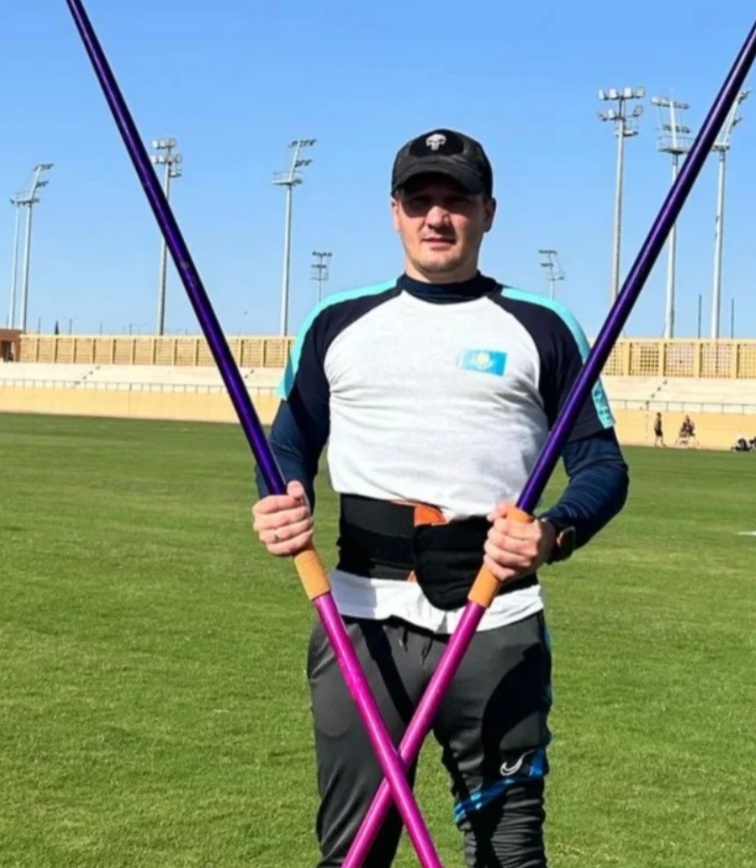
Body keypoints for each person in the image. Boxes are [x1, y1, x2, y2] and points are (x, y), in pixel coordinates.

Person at [250, 127, 630, 867]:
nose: (436, 216)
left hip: (496, 618)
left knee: (508, 851)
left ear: (488, 212)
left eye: (455, 200)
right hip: (360, 618)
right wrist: (281, 495)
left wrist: (553, 532)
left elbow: (602, 466)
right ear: (393, 211)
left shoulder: (543, 327)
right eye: (419, 199)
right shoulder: (337, 323)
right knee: (355, 850)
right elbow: (287, 443)